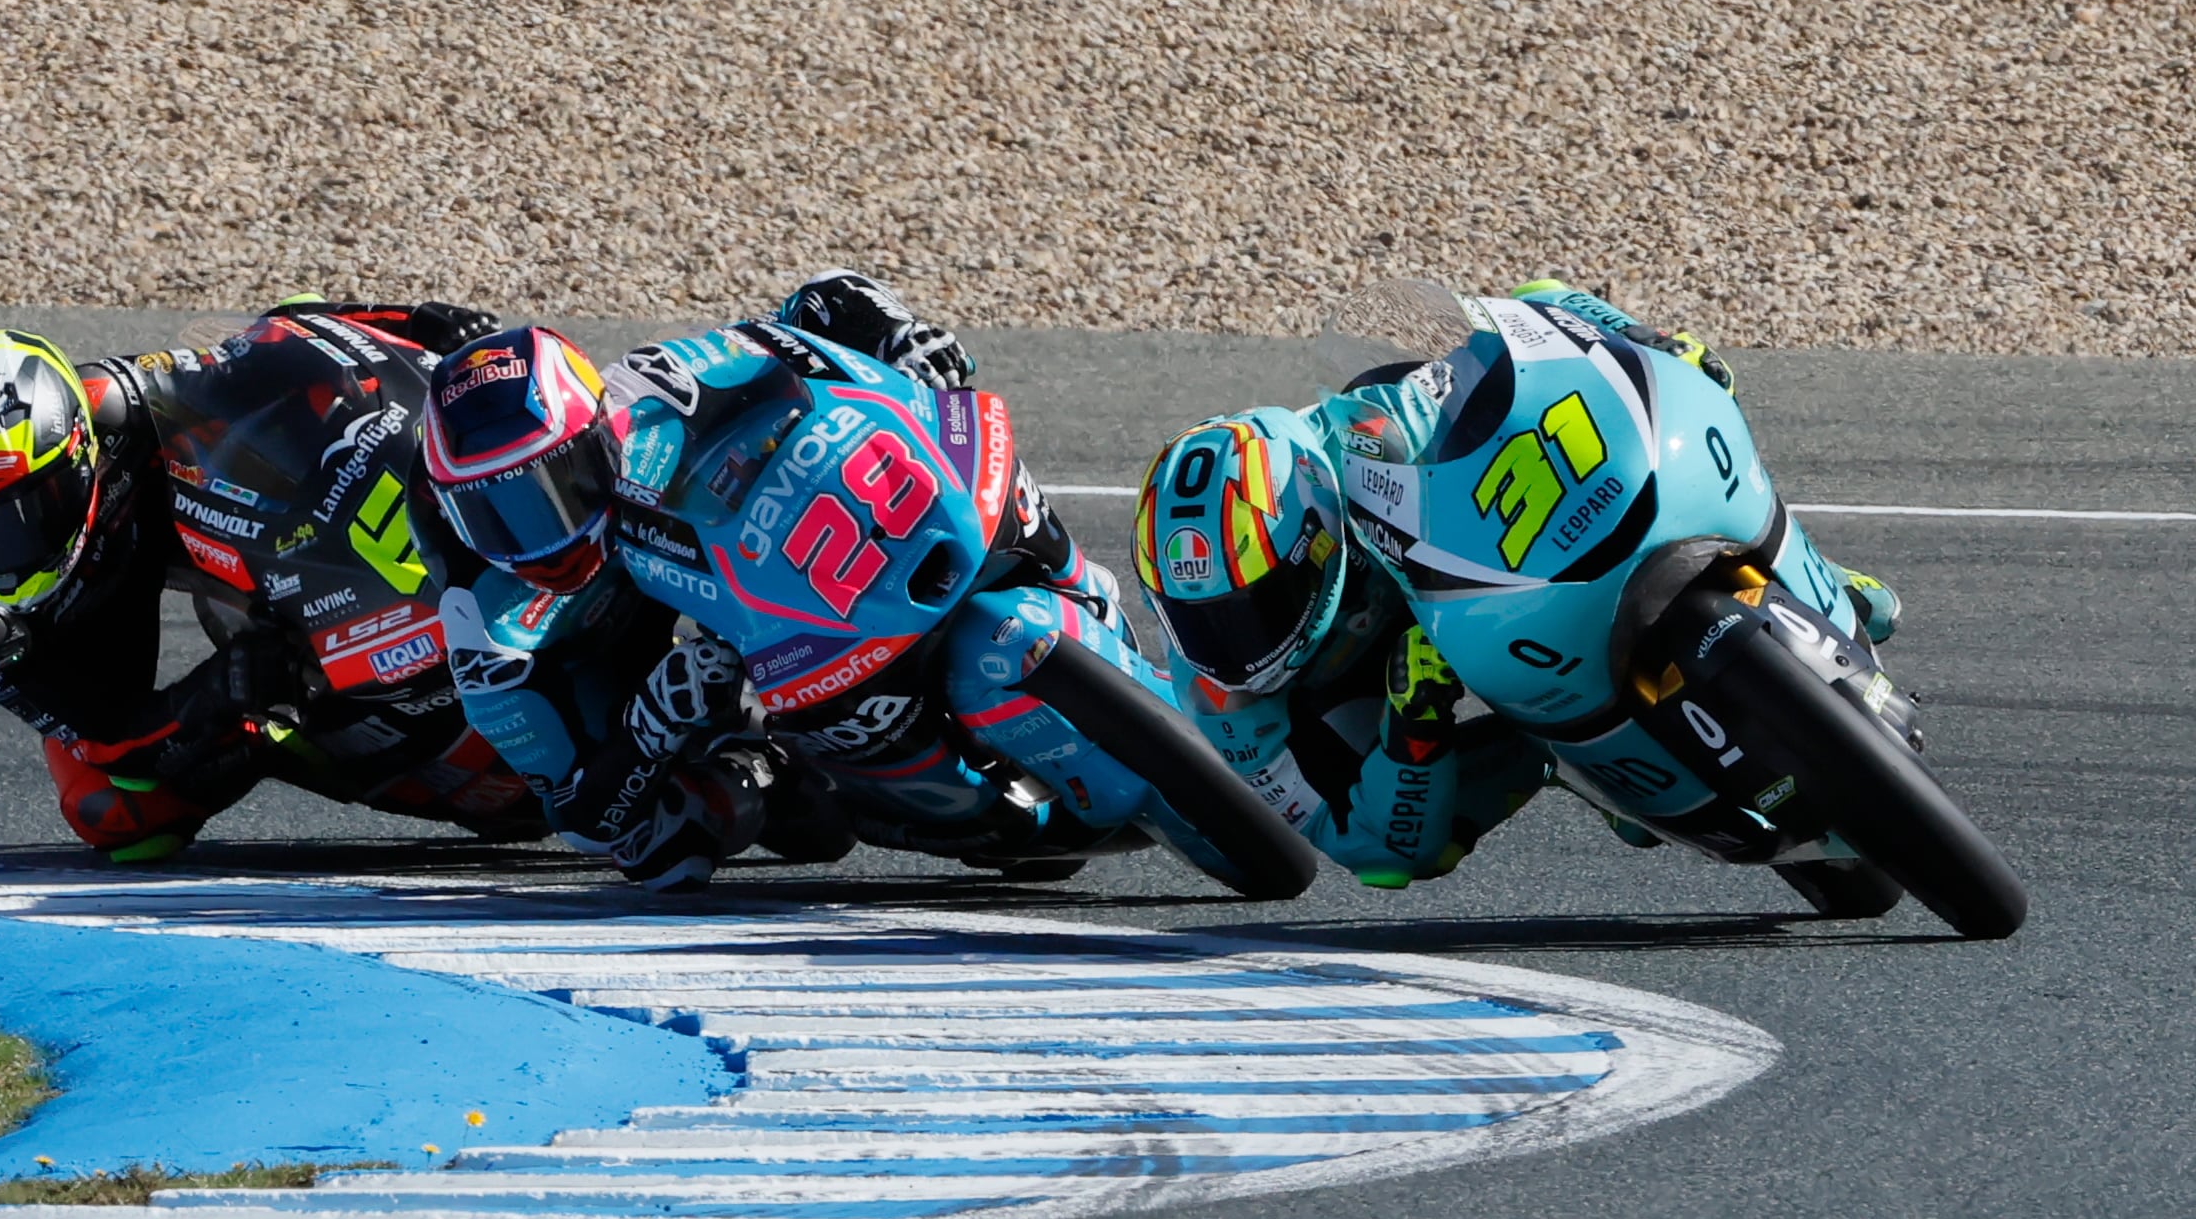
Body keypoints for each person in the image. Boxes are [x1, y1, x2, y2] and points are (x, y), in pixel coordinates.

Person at [1131, 280, 1902, 886]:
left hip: (1474, 578)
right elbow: (1368, 848)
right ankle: (1581, 762)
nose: (1234, 644)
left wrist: (1645, 346)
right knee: (1397, 858)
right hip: (1386, 686)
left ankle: (1812, 572)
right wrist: (1414, 723)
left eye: (1253, 607)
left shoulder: (1360, 433)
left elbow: (1534, 315)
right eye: (1200, 618)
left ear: (1317, 536)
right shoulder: (1224, 701)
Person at [416, 270, 1125, 888]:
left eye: (552, 487)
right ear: (453, 509)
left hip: (781, 590)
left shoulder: (652, 403)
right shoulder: (490, 631)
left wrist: (899, 338)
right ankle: (820, 769)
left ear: (597, 434)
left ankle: (1072, 577)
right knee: (670, 847)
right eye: (493, 512)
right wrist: (654, 723)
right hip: (699, 710)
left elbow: (814, 309)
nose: (539, 534)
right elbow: (582, 820)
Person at [0, 298, 506, 861]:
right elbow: (100, 736)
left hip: (173, 518)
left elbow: (274, 342)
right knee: (109, 810)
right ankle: (307, 742)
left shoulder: (105, 405)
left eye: (24, 510)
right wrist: (210, 696)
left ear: (78, 452)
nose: (3, 548)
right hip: (82, 615)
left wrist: (409, 323)